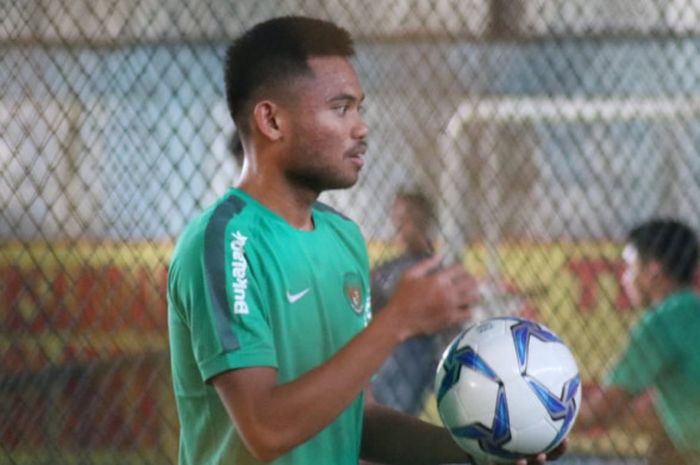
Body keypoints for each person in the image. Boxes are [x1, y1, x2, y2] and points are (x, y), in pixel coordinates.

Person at [167, 15, 566, 465]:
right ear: (272, 120)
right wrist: (398, 320)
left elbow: (358, 420)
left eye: (360, 107)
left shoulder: (342, 238)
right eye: (340, 108)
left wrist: (483, 457)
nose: (361, 128)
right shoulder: (224, 246)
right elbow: (267, 427)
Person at [578, 218, 700, 465]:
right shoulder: (692, 310)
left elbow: (602, 411)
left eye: (630, 267)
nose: (624, 279)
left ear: (653, 270)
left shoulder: (661, 322)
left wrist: (535, 416)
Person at [370, 189, 444, 415]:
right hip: (385, 362)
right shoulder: (390, 268)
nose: (398, 224)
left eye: (405, 218)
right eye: (398, 218)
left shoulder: (435, 269)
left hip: (411, 361)